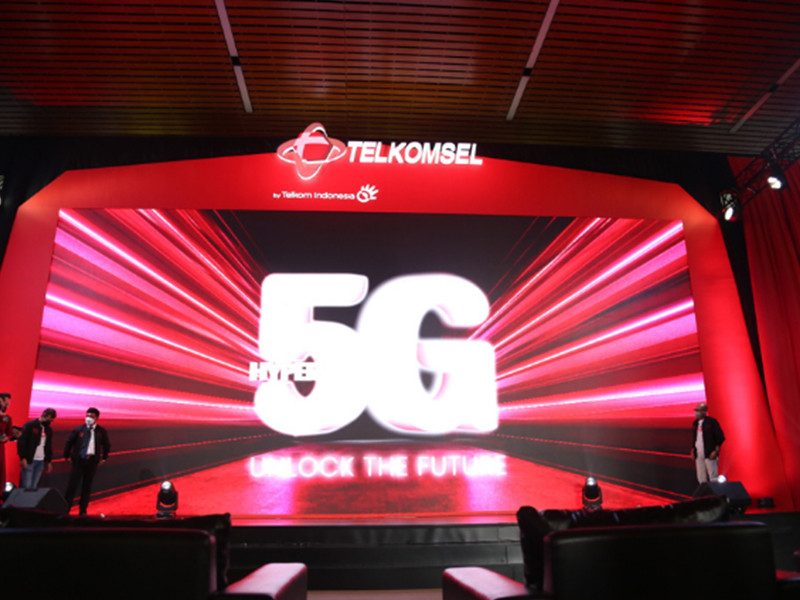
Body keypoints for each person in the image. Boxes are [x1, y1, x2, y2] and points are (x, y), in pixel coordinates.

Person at [64, 407, 110, 515]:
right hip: (79, 461)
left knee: (87, 486)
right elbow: (69, 442)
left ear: (96, 418)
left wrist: (104, 458)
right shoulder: (79, 429)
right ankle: (66, 509)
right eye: (87, 416)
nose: (88, 418)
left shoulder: (101, 431)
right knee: (72, 486)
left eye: (91, 416)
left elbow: (106, 445)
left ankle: (83, 511)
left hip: (92, 461)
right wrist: (67, 456)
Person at [18, 408, 58, 489]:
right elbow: (22, 442)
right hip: (30, 460)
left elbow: (48, 446)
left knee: (34, 486)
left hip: (41, 461)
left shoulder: (48, 429)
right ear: (47, 416)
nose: (51, 422)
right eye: (50, 419)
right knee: (27, 486)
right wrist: (23, 457)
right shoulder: (30, 425)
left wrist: (49, 461)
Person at [691, 402, 725, 484]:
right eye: (696, 410)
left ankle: (715, 491)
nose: (697, 412)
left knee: (713, 475)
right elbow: (695, 438)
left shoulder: (711, 422)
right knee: (701, 476)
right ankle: (704, 490)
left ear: (704, 411)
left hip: (709, 452)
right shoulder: (695, 423)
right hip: (698, 453)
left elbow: (720, 437)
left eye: (699, 410)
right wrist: (693, 450)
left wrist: (716, 451)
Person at [0, 393, 20, 488]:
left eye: (8, 403)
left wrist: (7, 438)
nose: (6, 405)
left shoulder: (6, 418)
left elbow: (9, 433)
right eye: (5, 402)